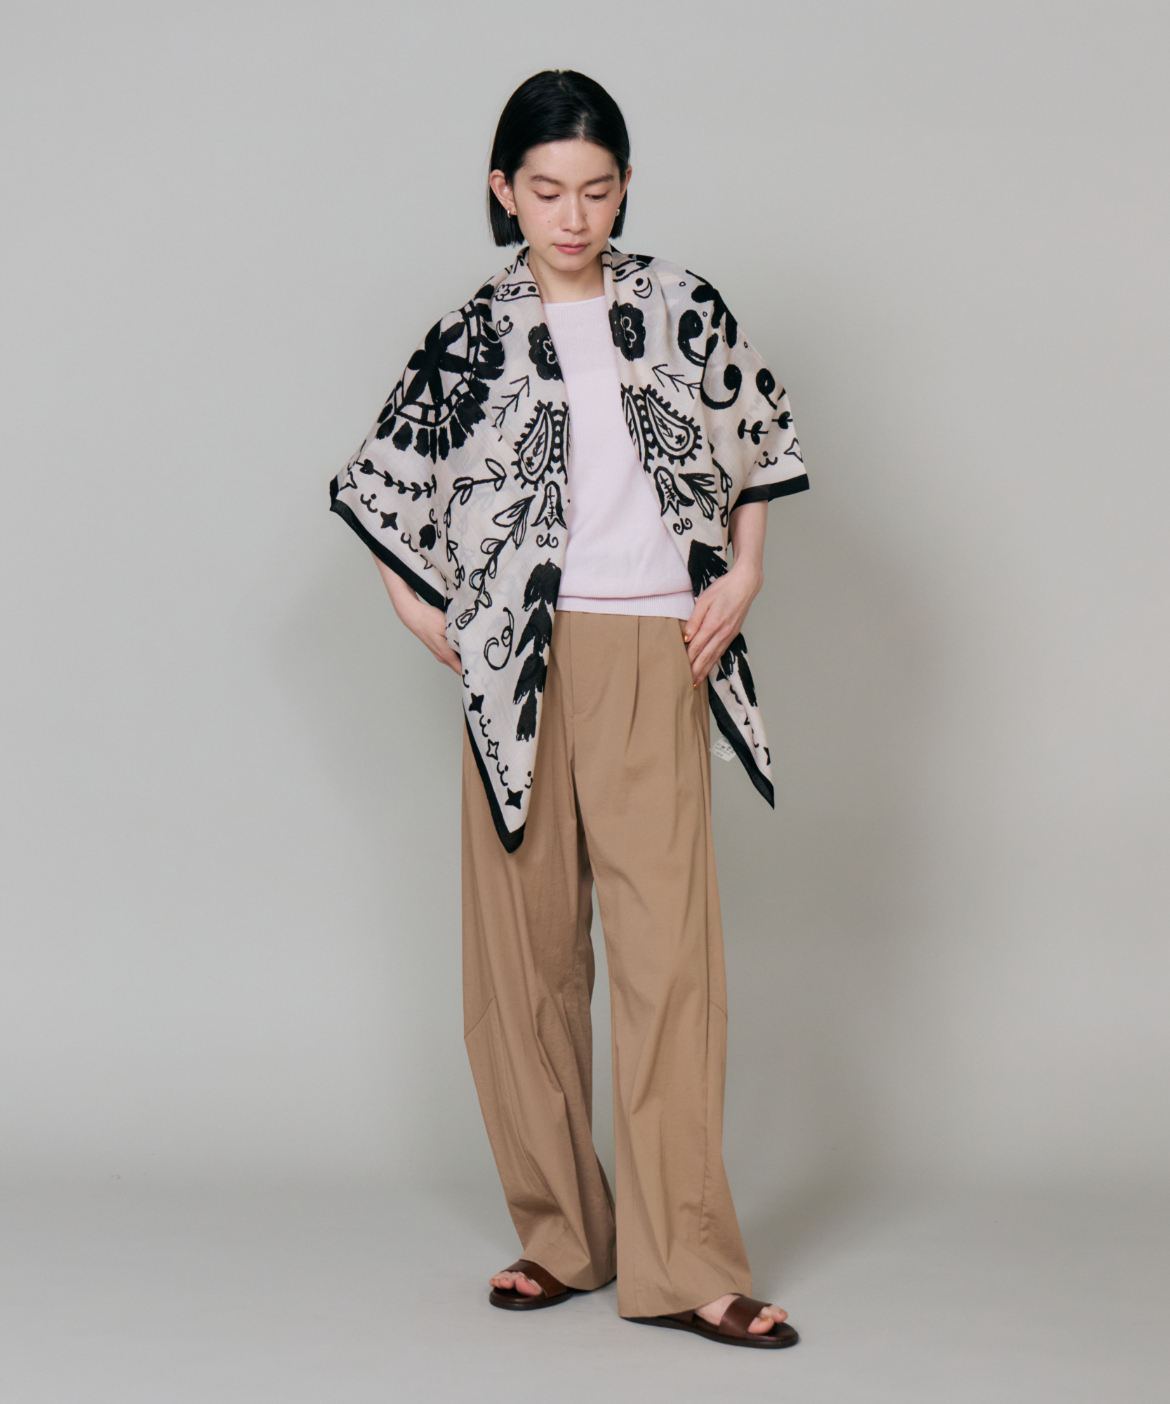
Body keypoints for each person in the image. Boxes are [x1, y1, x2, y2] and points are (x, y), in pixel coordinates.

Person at [329, 70, 808, 1350]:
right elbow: (381, 480)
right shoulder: (470, 334)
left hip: (661, 648)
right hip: (521, 668)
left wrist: (745, 572)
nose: (574, 215)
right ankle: (560, 1235)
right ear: (504, 191)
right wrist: (416, 605)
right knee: (524, 964)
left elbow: (759, 437)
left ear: (626, 187)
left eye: (597, 190)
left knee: (669, 967)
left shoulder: (680, 306)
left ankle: (688, 1264)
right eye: (546, 191)